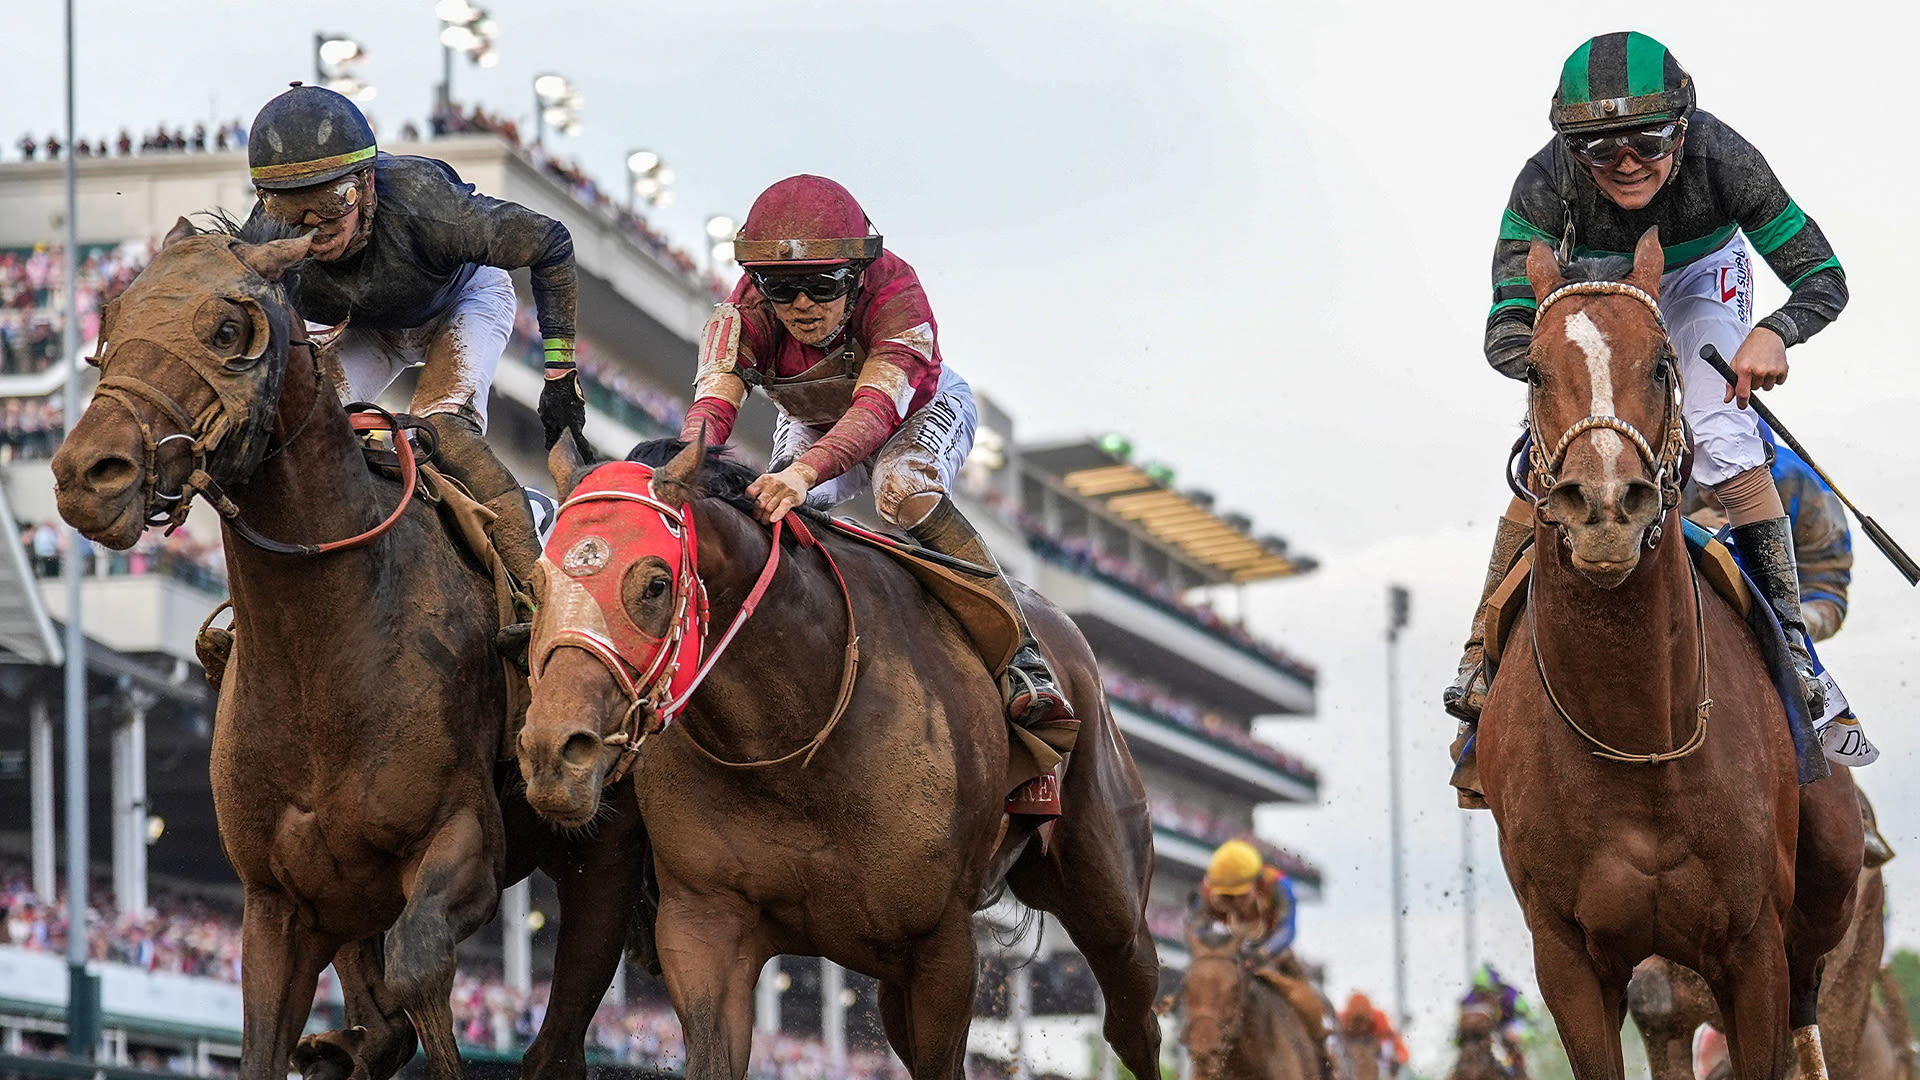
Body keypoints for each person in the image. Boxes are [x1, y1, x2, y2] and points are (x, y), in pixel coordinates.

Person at [1445, 31, 1849, 807]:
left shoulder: (1728, 161)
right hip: (1586, 299)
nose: (1627, 161)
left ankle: (1794, 652)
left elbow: (1824, 276)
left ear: (1684, 123)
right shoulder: (1539, 186)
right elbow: (1504, 328)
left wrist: (1776, 330)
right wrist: (1568, 358)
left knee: (1724, 431)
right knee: (1561, 455)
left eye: (1648, 138)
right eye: (1600, 147)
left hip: (1699, 277)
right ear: (1570, 147)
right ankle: (1478, 660)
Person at [677, 174, 1074, 818]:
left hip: (915, 407)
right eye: (781, 288)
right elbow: (712, 406)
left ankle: (1023, 658)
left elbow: (874, 413)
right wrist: (679, 468)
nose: (801, 304)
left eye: (823, 285)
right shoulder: (739, 313)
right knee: (774, 521)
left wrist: (803, 472)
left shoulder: (899, 295)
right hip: (811, 419)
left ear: (858, 274)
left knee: (903, 491)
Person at [243, 82, 584, 590]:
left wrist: (560, 371)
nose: (315, 227)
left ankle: (534, 577)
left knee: (440, 432)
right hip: (370, 324)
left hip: (463, 300)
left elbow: (552, 242)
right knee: (293, 429)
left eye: (335, 200)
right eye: (292, 210)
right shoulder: (265, 239)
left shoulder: (429, 206)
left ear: (369, 183)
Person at [1194, 840, 1331, 1071]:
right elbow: (1198, 929)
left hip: (1275, 959)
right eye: (1227, 897)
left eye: (1240, 896)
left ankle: (1325, 1060)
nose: (1235, 904)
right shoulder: (1207, 891)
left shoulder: (1278, 885)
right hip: (1228, 960)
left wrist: (1262, 953)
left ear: (1257, 884)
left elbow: (1288, 929)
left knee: (1309, 1005)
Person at [1460, 965, 1529, 1072]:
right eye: (1481, 994)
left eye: (1488, 994)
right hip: (1486, 1032)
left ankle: (1516, 1072)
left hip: (1507, 1027)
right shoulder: (1470, 997)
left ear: (1497, 991)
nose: (1485, 999)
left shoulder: (1511, 995)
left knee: (1510, 1037)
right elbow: (1459, 1029)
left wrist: (1520, 1033)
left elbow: (1531, 1022)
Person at [1340, 993, 1410, 1078]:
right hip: (1346, 1060)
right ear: (1348, 1018)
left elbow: (1401, 1050)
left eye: (1363, 1021)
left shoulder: (1380, 1019)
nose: (1360, 1027)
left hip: (1379, 1059)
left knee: (1393, 1056)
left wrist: (1397, 1060)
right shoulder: (1340, 1021)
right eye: (1356, 1021)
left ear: (1370, 1017)